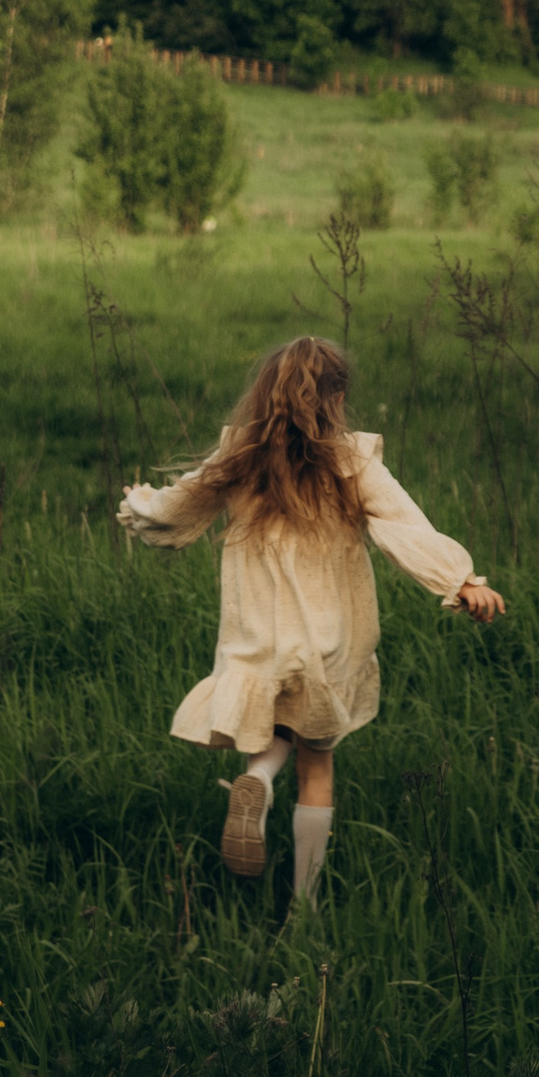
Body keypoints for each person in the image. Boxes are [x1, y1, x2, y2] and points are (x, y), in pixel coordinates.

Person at [116, 336, 505, 909]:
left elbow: (179, 507)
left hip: (258, 633)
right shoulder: (352, 463)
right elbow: (403, 525)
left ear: (265, 393)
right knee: (317, 761)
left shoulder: (238, 455)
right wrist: (460, 579)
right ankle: (305, 907)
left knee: (271, 735)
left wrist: (142, 504)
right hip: (330, 637)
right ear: (338, 396)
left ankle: (260, 782)